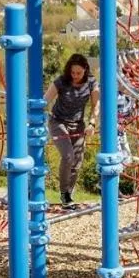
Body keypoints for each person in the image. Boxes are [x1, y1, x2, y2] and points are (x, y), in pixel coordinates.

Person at [45, 53, 99, 210]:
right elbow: (45, 99)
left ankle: (68, 194)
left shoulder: (91, 82)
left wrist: (92, 123)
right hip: (58, 122)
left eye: (79, 73)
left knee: (77, 161)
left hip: (78, 124)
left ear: (85, 70)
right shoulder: (61, 81)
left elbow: (96, 104)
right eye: (73, 72)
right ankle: (64, 194)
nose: (75, 76)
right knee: (68, 156)